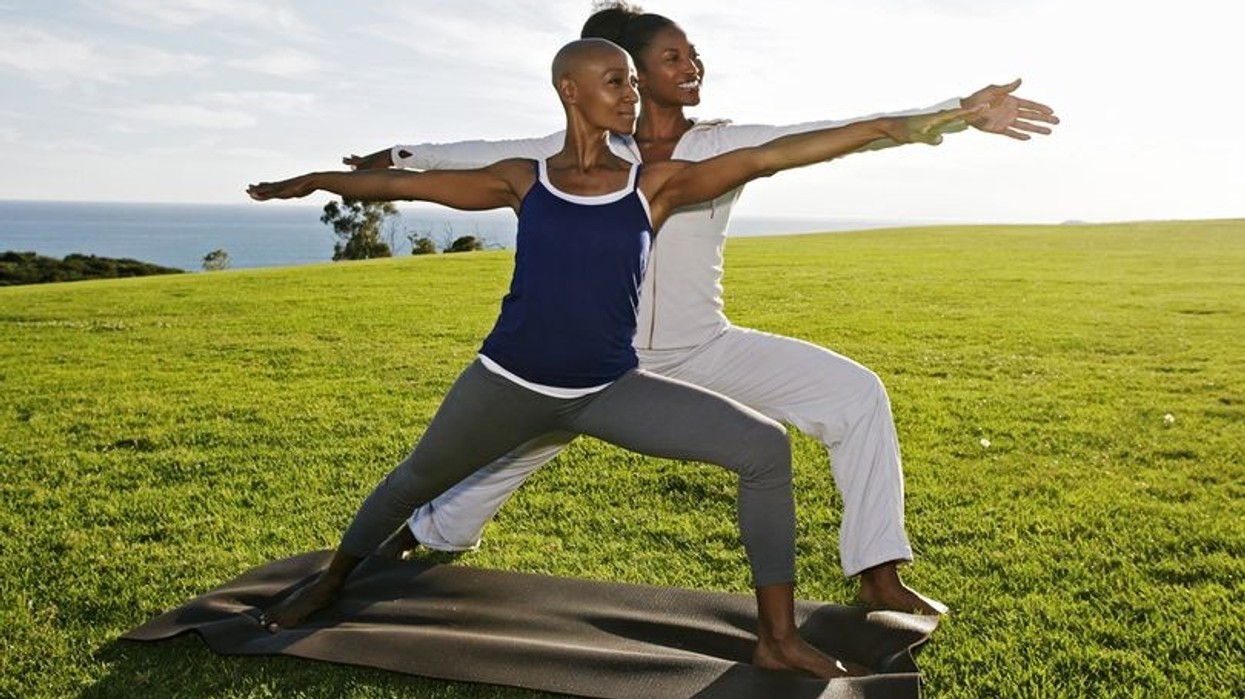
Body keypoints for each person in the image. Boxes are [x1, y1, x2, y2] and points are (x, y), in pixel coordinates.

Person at [249, 38, 976, 678]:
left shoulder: (653, 186)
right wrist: (315, 181)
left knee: (762, 446)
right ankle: (331, 577)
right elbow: (401, 186)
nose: (631, 95)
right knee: (414, 478)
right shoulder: (522, 177)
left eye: (632, 80)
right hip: (506, 385)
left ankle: (777, 639)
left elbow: (773, 153)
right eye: (614, 81)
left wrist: (902, 125)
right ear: (570, 91)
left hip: (606, 388)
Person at [348, 3, 1059, 616]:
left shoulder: (723, 144)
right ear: (630, 70)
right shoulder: (570, 152)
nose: (693, 65)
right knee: (511, 450)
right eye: (673, 55)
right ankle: (423, 534)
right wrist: (391, 158)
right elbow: (468, 154)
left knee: (854, 394)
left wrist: (957, 115)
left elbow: (845, 130)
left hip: (703, 347)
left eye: (694, 54)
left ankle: (879, 576)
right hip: (596, 360)